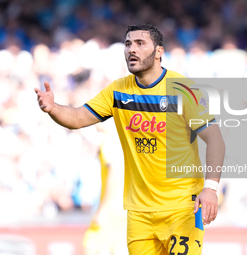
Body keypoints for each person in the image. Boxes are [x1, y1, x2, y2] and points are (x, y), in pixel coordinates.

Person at [35, 24, 225, 255]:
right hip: (139, 214)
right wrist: (53, 108)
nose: (131, 49)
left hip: (182, 208)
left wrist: (211, 188)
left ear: (158, 52)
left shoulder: (183, 90)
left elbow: (214, 139)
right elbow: (77, 118)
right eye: (127, 44)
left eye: (140, 43)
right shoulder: (118, 91)